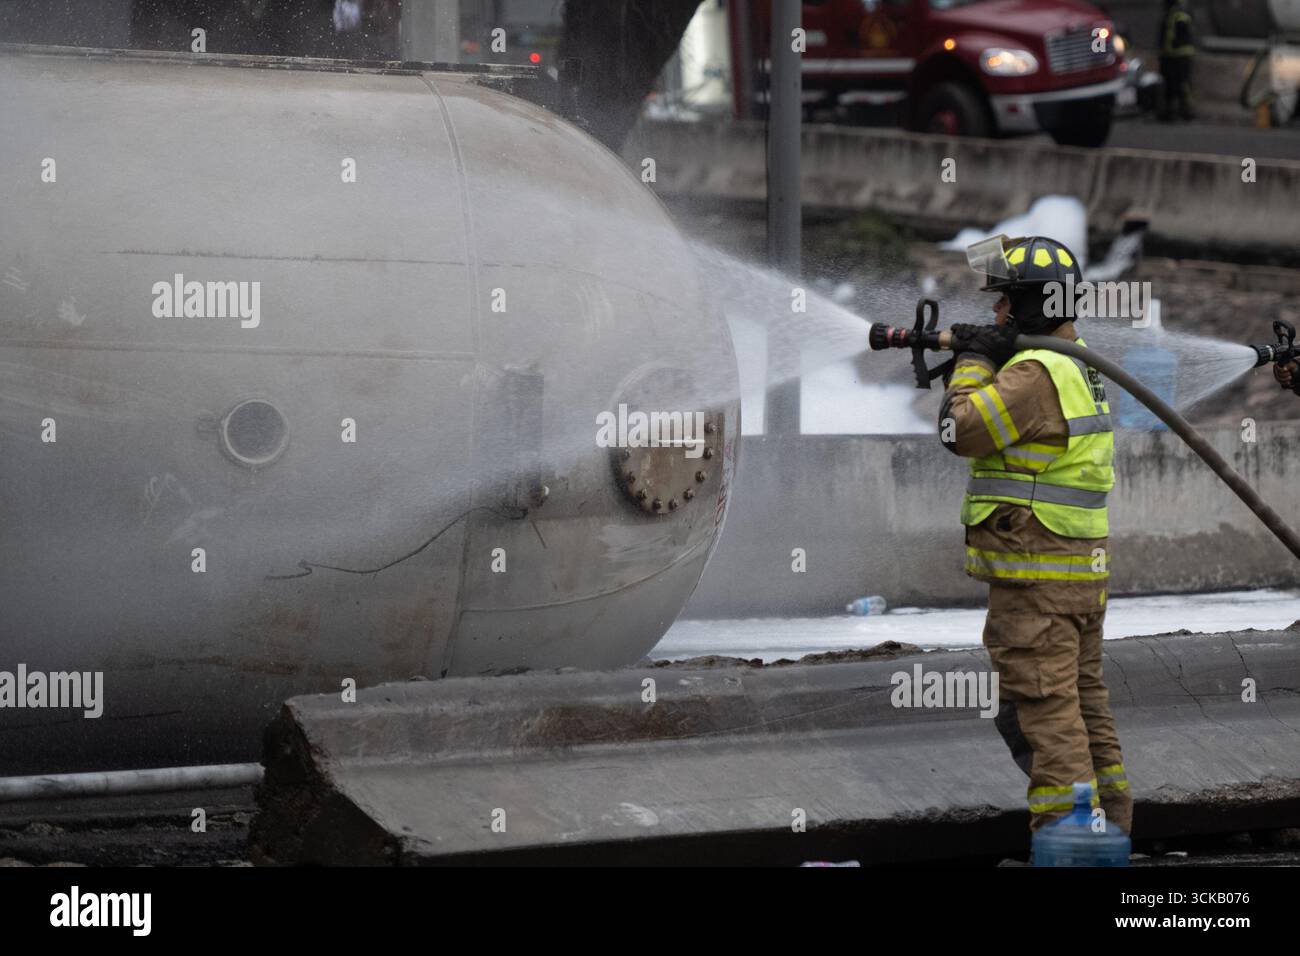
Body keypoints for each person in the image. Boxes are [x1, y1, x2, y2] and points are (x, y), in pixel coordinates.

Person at [938, 235, 1133, 838]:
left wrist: (973, 361)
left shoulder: (1032, 373)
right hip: (1075, 575)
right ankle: (1112, 833)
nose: (995, 314)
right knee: (1082, 704)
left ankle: (1073, 846)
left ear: (1032, 307)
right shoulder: (1078, 365)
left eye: (1004, 304)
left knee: (1045, 712)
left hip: (1036, 578)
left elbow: (959, 428)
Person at [1158, 0, 1196, 121]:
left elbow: (1181, 34)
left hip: (1180, 56)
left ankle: (1186, 111)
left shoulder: (1180, 16)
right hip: (1169, 56)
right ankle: (1171, 112)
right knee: (1170, 86)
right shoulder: (1170, 16)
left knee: (1182, 85)